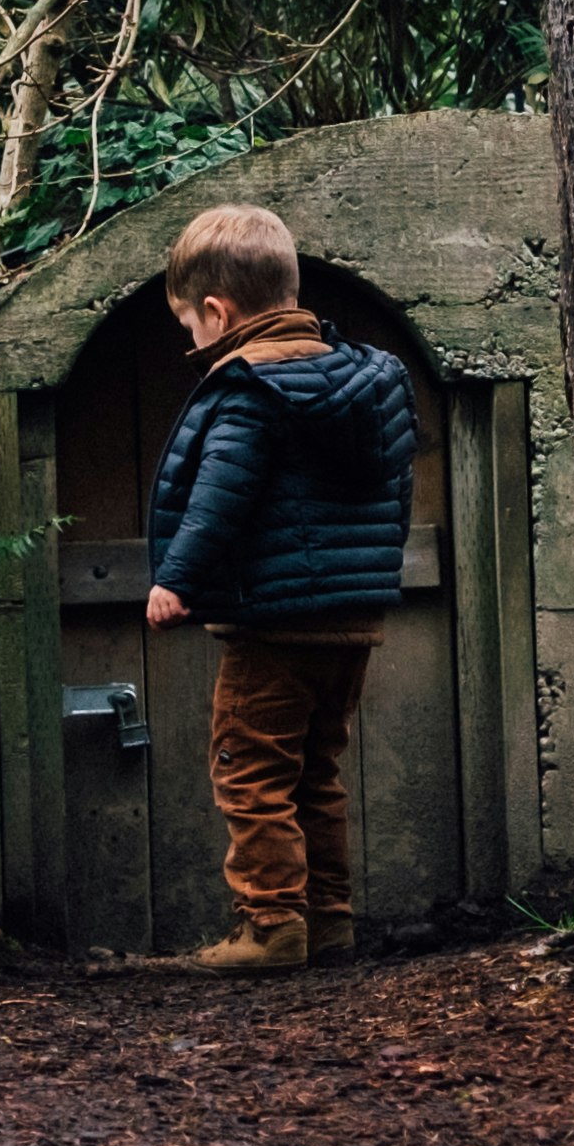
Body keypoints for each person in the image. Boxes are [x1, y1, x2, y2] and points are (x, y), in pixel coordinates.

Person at [143, 201, 420, 976]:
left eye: (188, 327)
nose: (191, 343)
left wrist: (175, 582)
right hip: (350, 619)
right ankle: (328, 919)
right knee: (315, 772)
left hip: (274, 623)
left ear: (214, 310)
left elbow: (217, 498)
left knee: (251, 771)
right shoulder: (371, 380)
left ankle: (270, 927)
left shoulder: (248, 389)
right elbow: (398, 491)